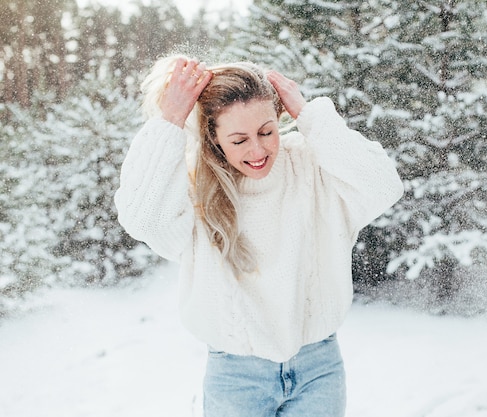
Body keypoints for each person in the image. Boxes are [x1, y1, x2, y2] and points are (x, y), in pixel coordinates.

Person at [114, 54, 404, 417]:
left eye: (267, 132)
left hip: (319, 367)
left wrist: (310, 114)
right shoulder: (193, 188)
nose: (258, 151)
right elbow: (142, 219)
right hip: (236, 376)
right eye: (239, 140)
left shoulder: (310, 164)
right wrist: (170, 119)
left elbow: (383, 186)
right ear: (214, 138)